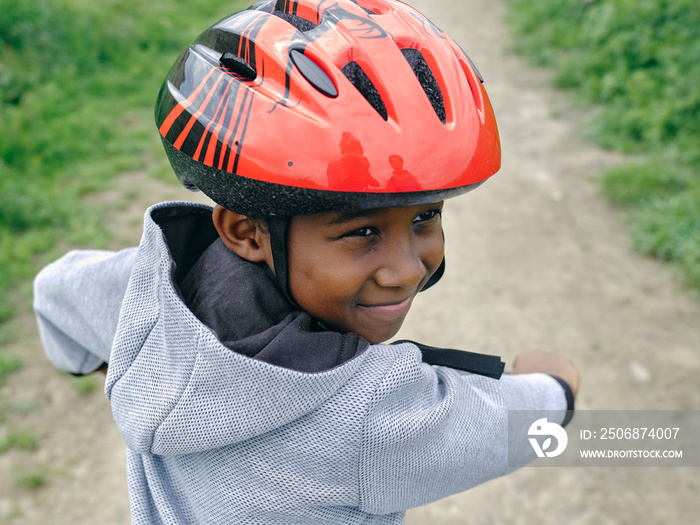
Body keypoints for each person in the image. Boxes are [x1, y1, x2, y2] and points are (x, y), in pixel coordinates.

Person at [33, 1, 579, 523]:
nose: (407, 269)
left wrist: (108, 365)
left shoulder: (149, 291)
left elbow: (55, 292)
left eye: (424, 219)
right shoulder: (373, 417)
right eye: (362, 231)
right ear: (245, 231)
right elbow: (520, 425)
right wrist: (558, 389)